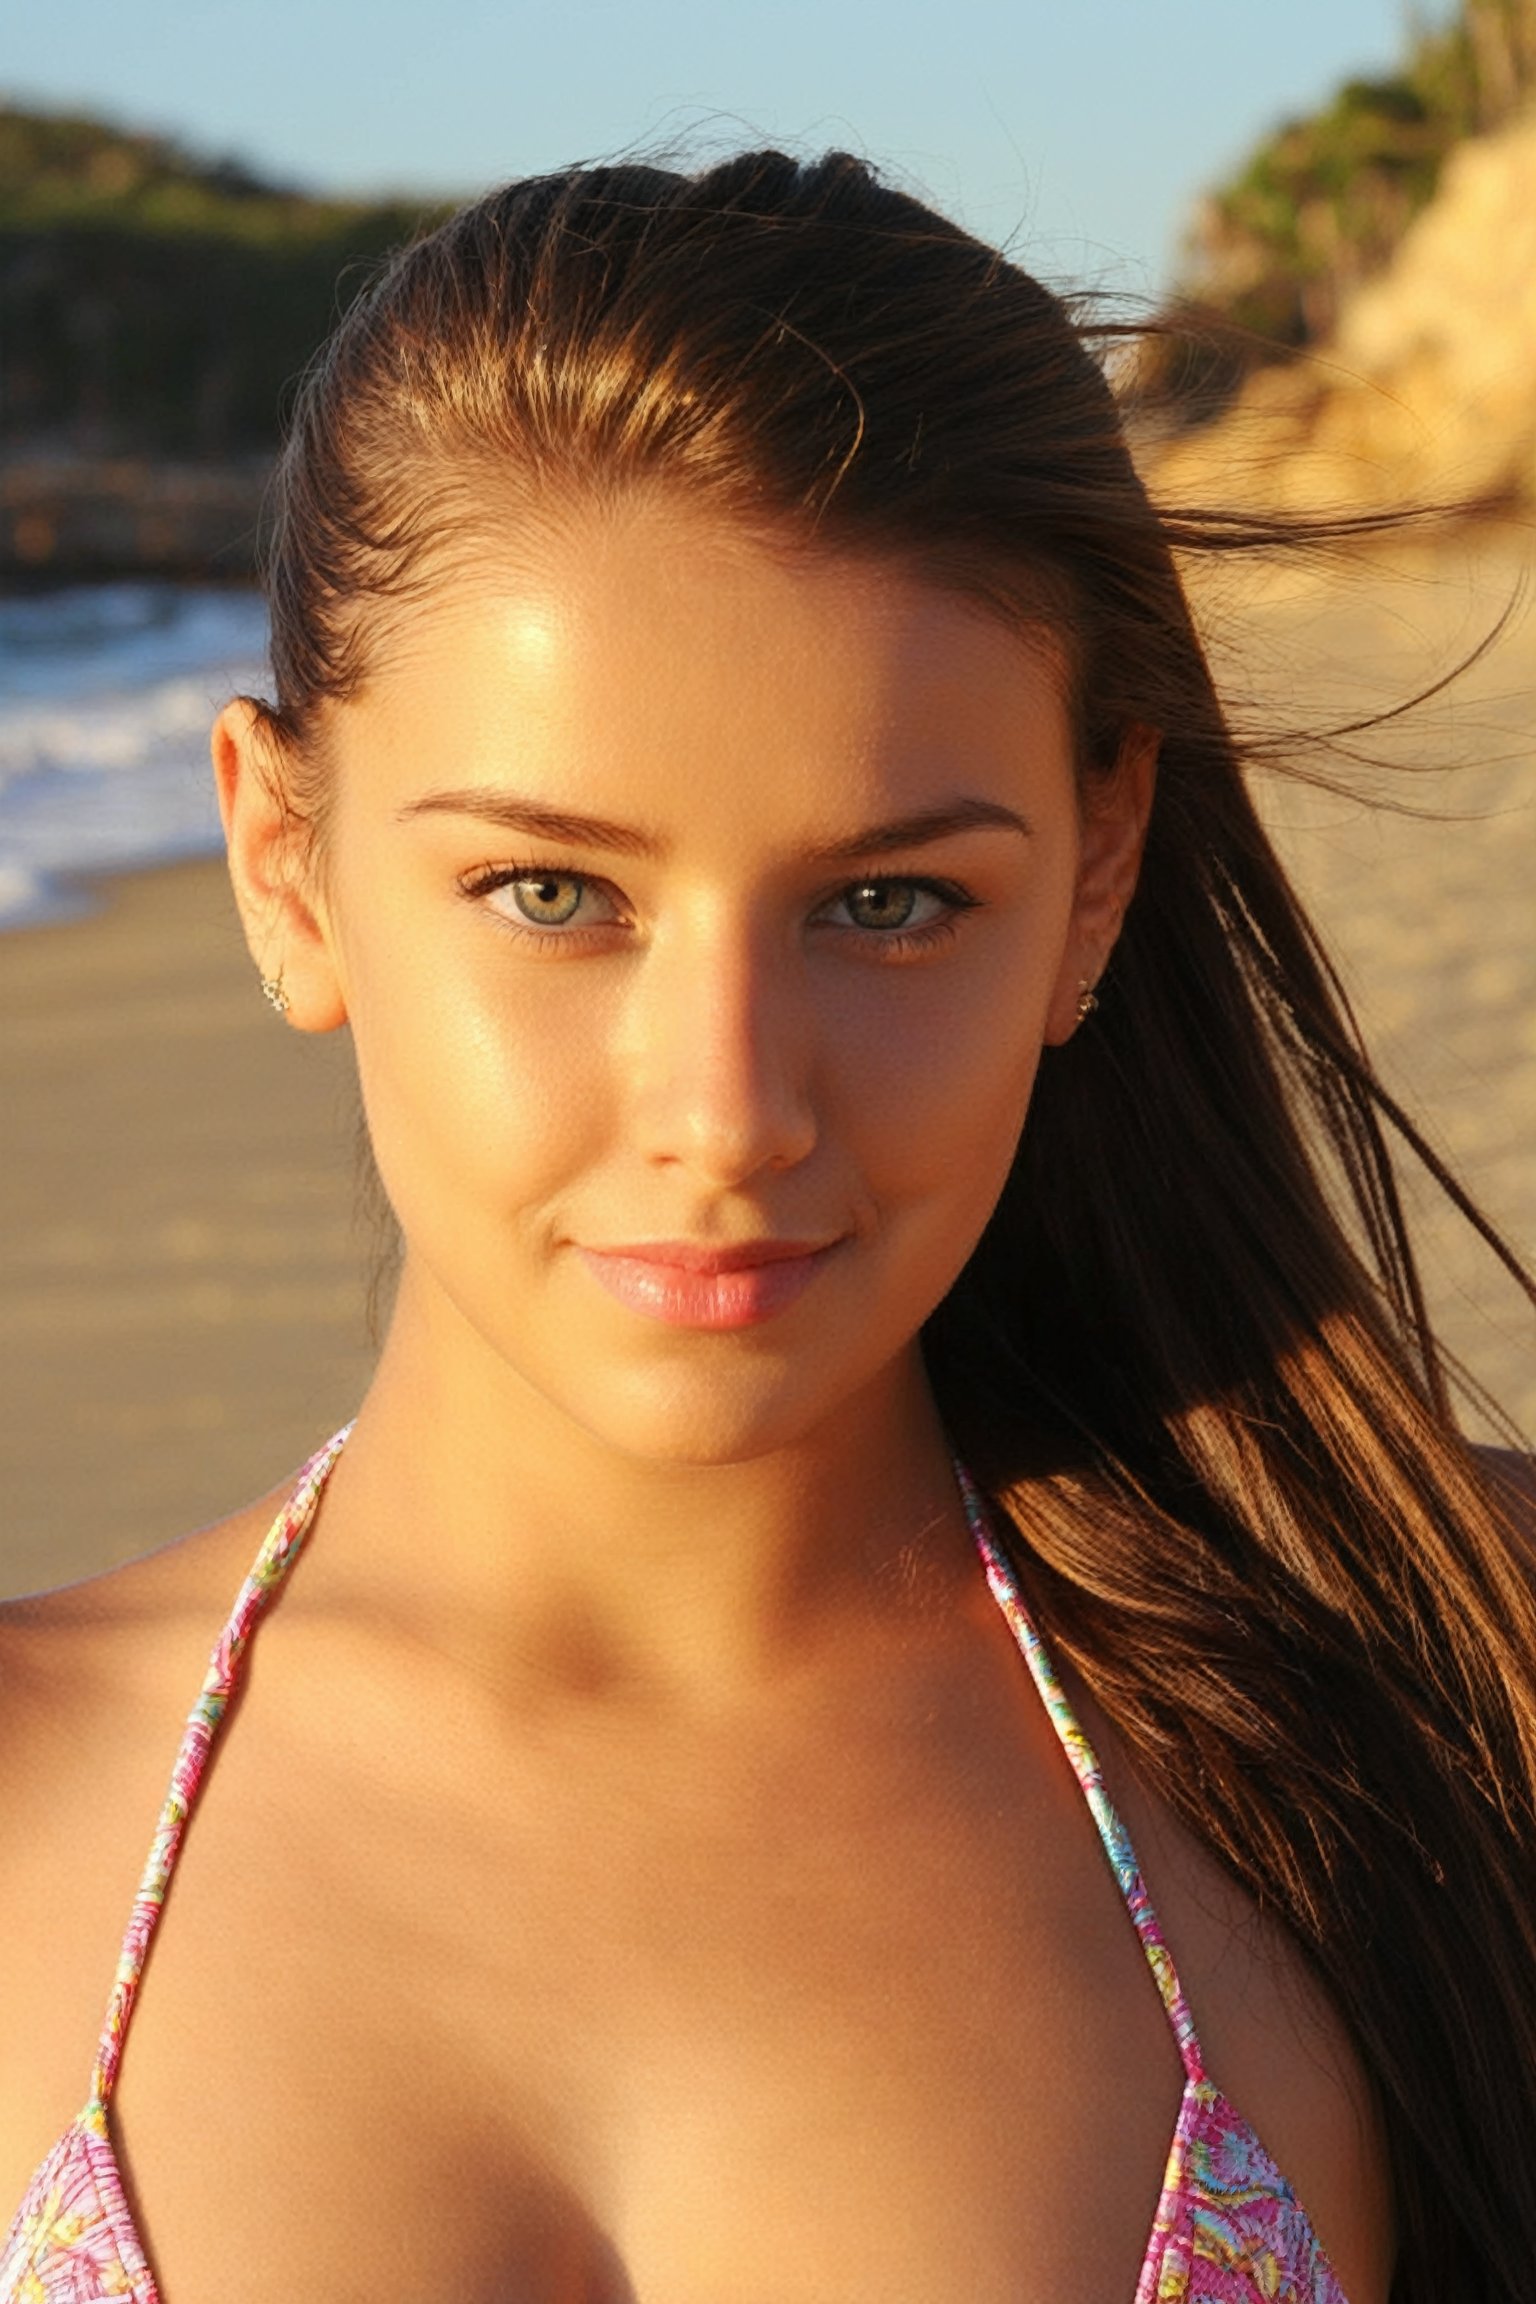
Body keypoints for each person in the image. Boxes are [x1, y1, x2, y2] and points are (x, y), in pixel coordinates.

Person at [0, 150, 1532, 2304]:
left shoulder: (1461, 1684)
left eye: (891, 904)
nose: (726, 1110)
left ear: (1095, 879)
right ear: (286, 864)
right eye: (555, 895)